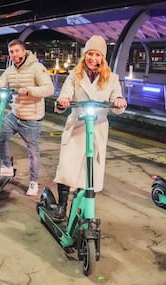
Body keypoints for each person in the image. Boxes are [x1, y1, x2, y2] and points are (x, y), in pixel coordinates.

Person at [52, 35, 127, 221]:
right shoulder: (74, 75)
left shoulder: (112, 78)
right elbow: (65, 95)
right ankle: (62, 206)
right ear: (85, 55)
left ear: (103, 58)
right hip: (77, 125)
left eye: (97, 55)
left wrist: (119, 101)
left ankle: (79, 208)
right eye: (90, 54)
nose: (93, 58)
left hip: (97, 128)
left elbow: (118, 100)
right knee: (67, 168)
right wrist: (63, 101)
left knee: (88, 172)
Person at [0, 39, 54, 196]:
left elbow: (49, 89)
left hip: (32, 119)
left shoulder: (37, 68)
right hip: (14, 115)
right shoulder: (10, 70)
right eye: (11, 52)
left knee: (33, 152)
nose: (14, 55)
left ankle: (34, 182)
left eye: (17, 51)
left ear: (24, 51)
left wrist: (29, 90)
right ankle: (7, 165)